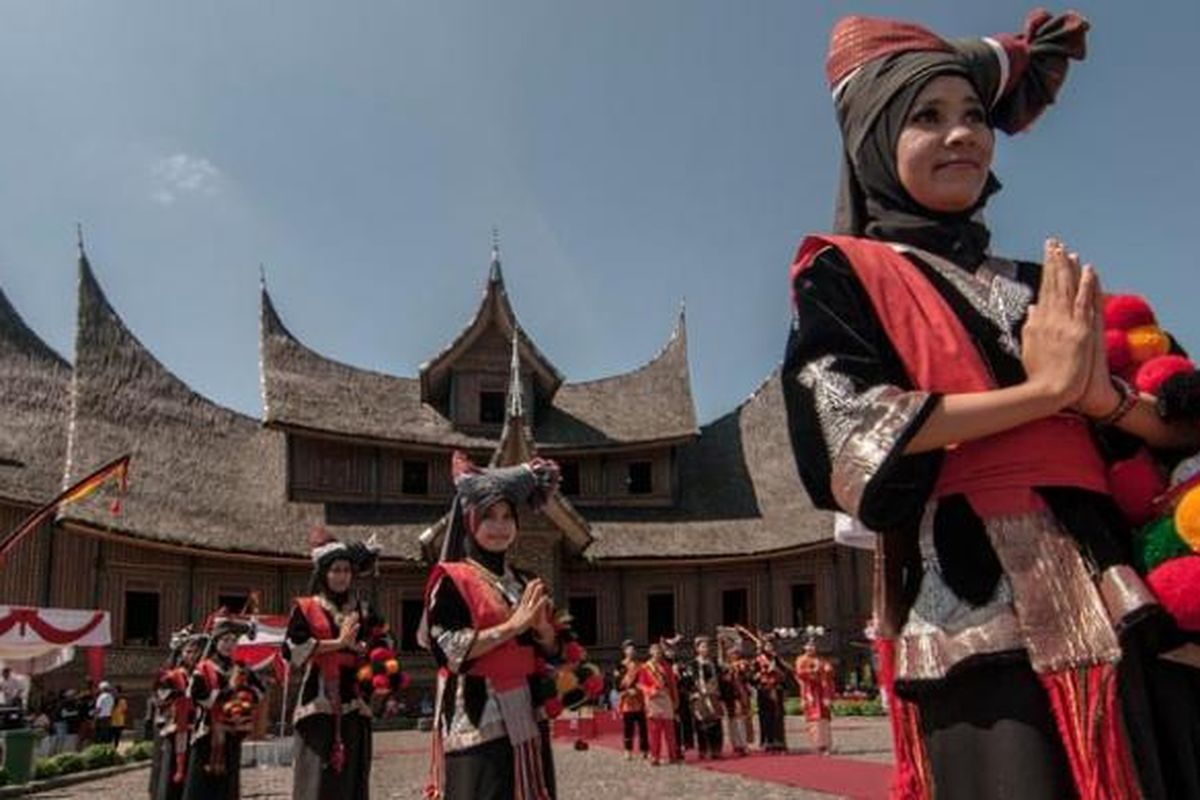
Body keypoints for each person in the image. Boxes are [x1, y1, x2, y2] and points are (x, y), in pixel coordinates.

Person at [783, 10, 1200, 799]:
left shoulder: (1043, 282)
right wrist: (1042, 394)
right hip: (973, 603)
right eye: (928, 118)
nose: (962, 136)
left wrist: (1101, 401)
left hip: (1113, 581)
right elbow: (846, 429)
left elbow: (1177, 414)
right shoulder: (843, 275)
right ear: (874, 141)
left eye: (975, 116)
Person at [421, 453, 562, 799]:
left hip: (527, 710)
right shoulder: (452, 580)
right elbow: (448, 650)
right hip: (477, 714)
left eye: (507, 517)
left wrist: (544, 633)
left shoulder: (525, 580)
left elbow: (552, 649)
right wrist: (513, 626)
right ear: (471, 523)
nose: (499, 527)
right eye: (489, 518)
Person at [283, 528, 389, 800]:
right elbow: (292, 649)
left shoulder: (363, 610)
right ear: (323, 573)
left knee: (352, 779)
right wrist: (339, 644)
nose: (341, 576)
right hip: (318, 705)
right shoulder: (307, 609)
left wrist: (372, 656)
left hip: (356, 701)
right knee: (318, 780)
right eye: (335, 570)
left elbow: (385, 641)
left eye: (346, 570)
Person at [183, 616, 263, 800]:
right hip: (207, 733)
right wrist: (229, 691)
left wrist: (245, 697)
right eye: (225, 640)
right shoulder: (203, 668)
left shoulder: (242, 668)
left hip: (233, 730)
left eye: (233, 640)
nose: (229, 644)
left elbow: (260, 691)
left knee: (229, 780)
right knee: (202, 783)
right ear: (216, 642)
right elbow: (197, 696)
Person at [152, 626, 207, 800]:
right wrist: (180, 694)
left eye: (196, 652)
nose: (192, 655)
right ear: (182, 653)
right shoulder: (170, 676)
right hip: (176, 728)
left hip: (196, 728)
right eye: (189, 651)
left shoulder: (200, 675)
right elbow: (160, 697)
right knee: (172, 769)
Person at [636, 642, 679, 767]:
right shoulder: (645, 667)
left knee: (670, 729)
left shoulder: (667, 666)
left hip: (666, 698)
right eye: (655, 651)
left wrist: (675, 699)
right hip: (653, 700)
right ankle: (655, 756)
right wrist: (650, 690)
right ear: (650, 652)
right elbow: (640, 684)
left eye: (660, 652)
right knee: (654, 730)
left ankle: (673, 756)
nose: (658, 654)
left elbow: (672, 685)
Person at [794, 642, 836, 755]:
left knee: (824, 719)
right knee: (814, 719)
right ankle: (817, 745)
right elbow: (799, 674)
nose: (811, 648)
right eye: (809, 646)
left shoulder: (821, 659)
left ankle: (826, 744)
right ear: (804, 647)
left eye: (813, 646)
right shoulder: (801, 660)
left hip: (822, 692)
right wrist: (813, 671)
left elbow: (829, 672)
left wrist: (828, 670)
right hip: (810, 692)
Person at [750, 637, 788, 753]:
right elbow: (751, 677)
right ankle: (767, 742)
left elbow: (786, 674)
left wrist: (776, 670)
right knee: (765, 717)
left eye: (771, 646)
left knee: (778, 716)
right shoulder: (757, 660)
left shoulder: (777, 659)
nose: (769, 648)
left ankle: (779, 742)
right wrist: (760, 674)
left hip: (776, 690)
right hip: (764, 691)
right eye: (767, 646)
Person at [690, 636, 724, 760]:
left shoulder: (713, 663)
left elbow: (720, 676)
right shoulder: (693, 664)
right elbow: (690, 681)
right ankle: (703, 750)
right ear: (697, 649)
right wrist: (694, 693)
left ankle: (716, 749)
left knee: (716, 723)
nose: (706, 649)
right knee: (702, 724)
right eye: (703, 646)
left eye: (707, 646)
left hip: (713, 695)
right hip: (700, 696)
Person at [614, 640, 649, 760]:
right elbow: (617, 685)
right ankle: (627, 750)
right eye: (629, 649)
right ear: (624, 651)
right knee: (628, 728)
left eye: (633, 649)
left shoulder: (641, 666)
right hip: (627, 701)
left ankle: (645, 750)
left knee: (643, 727)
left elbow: (645, 681)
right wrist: (627, 691)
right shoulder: (619, 666)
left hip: (640, 700)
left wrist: (638, 690)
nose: (632, 651)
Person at [719, 642, 752, 757]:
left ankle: (743, 744)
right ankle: (735, 744)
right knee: (731, 720)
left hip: (740, 694)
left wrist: (739, 671)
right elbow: (723, 680)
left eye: (735, 653)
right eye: (731, 653)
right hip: (729, 696)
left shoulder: (742, 664)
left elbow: (747, 676)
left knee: (741, 720)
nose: (734, 655)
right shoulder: (725, 666)